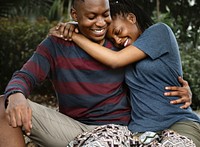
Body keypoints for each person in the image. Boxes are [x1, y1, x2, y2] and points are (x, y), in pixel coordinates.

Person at [0, 0, 193, 146]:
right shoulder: (57, 44)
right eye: (92, 17)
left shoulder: (122, 46)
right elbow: (26, 75)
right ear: (75, 15)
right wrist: (16, 94)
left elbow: (145, 73)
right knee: (3, 105)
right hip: (72, 127)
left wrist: (186, 90)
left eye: (105, 15)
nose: (101, 24)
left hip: (118, 130)